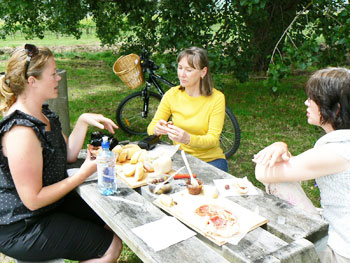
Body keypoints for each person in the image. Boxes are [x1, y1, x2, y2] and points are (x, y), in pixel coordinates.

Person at [0, 44, 122, 262]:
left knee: (110, 219)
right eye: (53, 74)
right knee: (111, 246)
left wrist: (83, 120)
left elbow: (67, 155)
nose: (58, 78)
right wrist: (83, 173)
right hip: (21, 226)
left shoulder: (42, 113)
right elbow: (33, 200)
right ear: (32, 81)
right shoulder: (21, 132)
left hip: (46, 209)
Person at [252, 67, 350, 263]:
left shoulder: (336, 152)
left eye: (312, 98)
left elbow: (262, 171)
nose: (306, 102)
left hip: (340, 252)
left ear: (335, 108)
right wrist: (282, 148)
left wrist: (277, 146)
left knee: (278, 182)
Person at [147, 47, 228, 172]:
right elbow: (150, 129)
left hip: (211, 160)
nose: (182, 74)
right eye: (180, 68)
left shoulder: (217, 98)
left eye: (188, 70)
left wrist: (188, 139)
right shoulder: (171, 95)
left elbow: (212, 140)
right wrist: (157, 129)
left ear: (203, 72)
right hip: (180, 158)